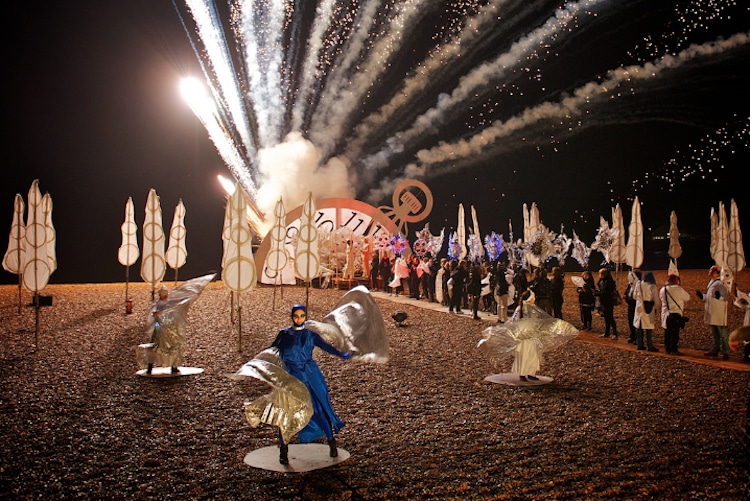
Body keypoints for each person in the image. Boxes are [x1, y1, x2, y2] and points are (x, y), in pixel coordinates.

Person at [272, 304, 351, 464]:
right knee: (287, 413)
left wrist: (343, 354)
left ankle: (331, 442)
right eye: (296, 316)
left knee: (319, 409)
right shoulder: (284, 334)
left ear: (305, 316)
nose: (299, 319)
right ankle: (283, 449)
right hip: (292, 377)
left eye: (302, 316)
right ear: (292, 316)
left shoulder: (310, 335)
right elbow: (272, 350)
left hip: (309, 376)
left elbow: (328, 347)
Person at [697, 265, 731, 360]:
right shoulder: (712, 282)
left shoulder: (721, 283)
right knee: (715, 333)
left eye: (712, 270)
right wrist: (702, 297)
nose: (710, 272)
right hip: (712, 310)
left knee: (722, 333)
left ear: (716, 273)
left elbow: (726, 296)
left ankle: (726, 352)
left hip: (718, 311)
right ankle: (715, 350)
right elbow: (710, 297)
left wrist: (719, 297)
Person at [145, 286, 181, 374]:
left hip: (169, 328)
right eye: (163, 294)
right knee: (156, 347)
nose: (165, 296)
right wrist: (158, 313)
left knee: (173, 346)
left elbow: (174, 312)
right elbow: (154, 313)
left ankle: (174, 366)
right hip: (159, 329)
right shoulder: (157, 304)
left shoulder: (170, 304)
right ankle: (150, 367)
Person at [659, 274, 690, 355]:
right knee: (675, 333)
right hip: (676, 313)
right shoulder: (679, 289)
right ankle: (674, 349)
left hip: (666, 313)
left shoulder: (663, 289)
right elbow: (687, 297)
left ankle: (667, 349)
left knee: (667, 332)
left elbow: (661, 299)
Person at [633, 271, 660, 352]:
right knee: (648, 327)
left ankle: (639, 344)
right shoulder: (652, 286)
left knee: (639, 326)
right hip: (648, 307)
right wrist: (657, 307)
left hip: (639, 306)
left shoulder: (638, 284)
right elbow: (656, 298)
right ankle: (649, 345)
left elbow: (634, 296)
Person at [596, 268, 619, 339]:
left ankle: (615, 333)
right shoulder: (603, 281)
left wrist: (596, 293)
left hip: (608, 302)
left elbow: (605, 292)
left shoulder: (608, 282)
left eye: (600, 274)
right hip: (604, 301)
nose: (599, 275)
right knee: (606, 317)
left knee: (610, 317)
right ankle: (607, 332)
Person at [624, 270, 642, 344]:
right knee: (630, 322)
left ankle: (637, 338)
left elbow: (636, 297)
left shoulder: (639, 285)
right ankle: (633, 336)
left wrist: (628, 298)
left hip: (636, 306)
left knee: (637, 323)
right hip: (630, 306)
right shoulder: (630, 285)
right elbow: (627, 292)